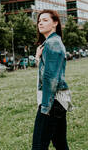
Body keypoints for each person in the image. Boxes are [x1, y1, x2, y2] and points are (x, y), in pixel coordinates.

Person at [32, 9, 72, 150]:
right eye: (39, 21)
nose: (40, 23)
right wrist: (38, 58)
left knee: (38, 146)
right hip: (58, 102)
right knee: (60, 144)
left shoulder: (52, 43)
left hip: (52, 102)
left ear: (55, 23)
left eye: (45, 20)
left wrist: (45, 107)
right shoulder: (52, 42)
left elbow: (50, 79)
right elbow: (48, 71)